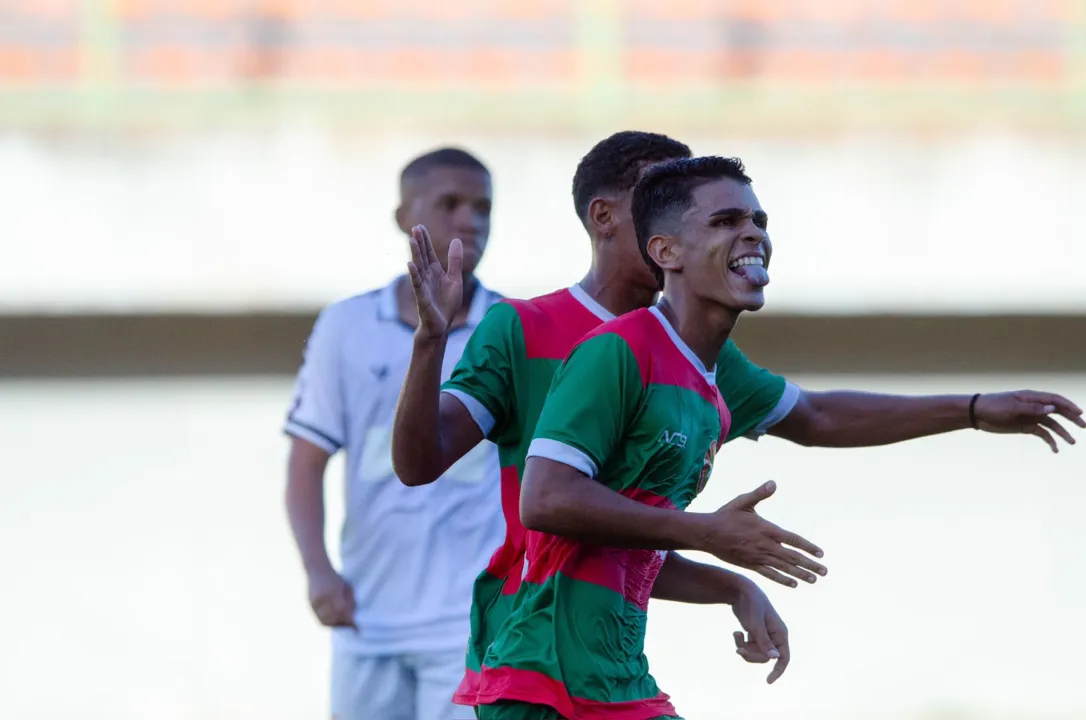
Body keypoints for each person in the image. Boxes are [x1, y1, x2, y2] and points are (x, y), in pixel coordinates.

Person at [392, 133, 1084, 708]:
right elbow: (444, 470)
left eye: (747, 218)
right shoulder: (537, 329)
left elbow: (815, 416)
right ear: (613, 219)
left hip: (611, 657)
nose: (739, 229)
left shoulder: (702, 358)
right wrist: (432, 339)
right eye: (690, 207)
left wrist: (968, 410)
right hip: (534, 652)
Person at [474, 155, 783, 720]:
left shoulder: (708, 391)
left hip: (617, 677)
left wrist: (734, 587)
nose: (752, 233)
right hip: (547, 682)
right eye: (725, 221)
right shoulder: (618, 347)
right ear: (665, 252)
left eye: (759, 220)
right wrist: (705, 532)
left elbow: (622, 546)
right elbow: (545, 499)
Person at [284, 147, 504, 720]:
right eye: (450, 203)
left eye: (482, 206)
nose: (470, 219)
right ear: (405, 216)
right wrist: (318, 570)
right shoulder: (347, 325)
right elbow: (307, 461)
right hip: (368, 618)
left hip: (471, 623)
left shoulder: (513, 326)